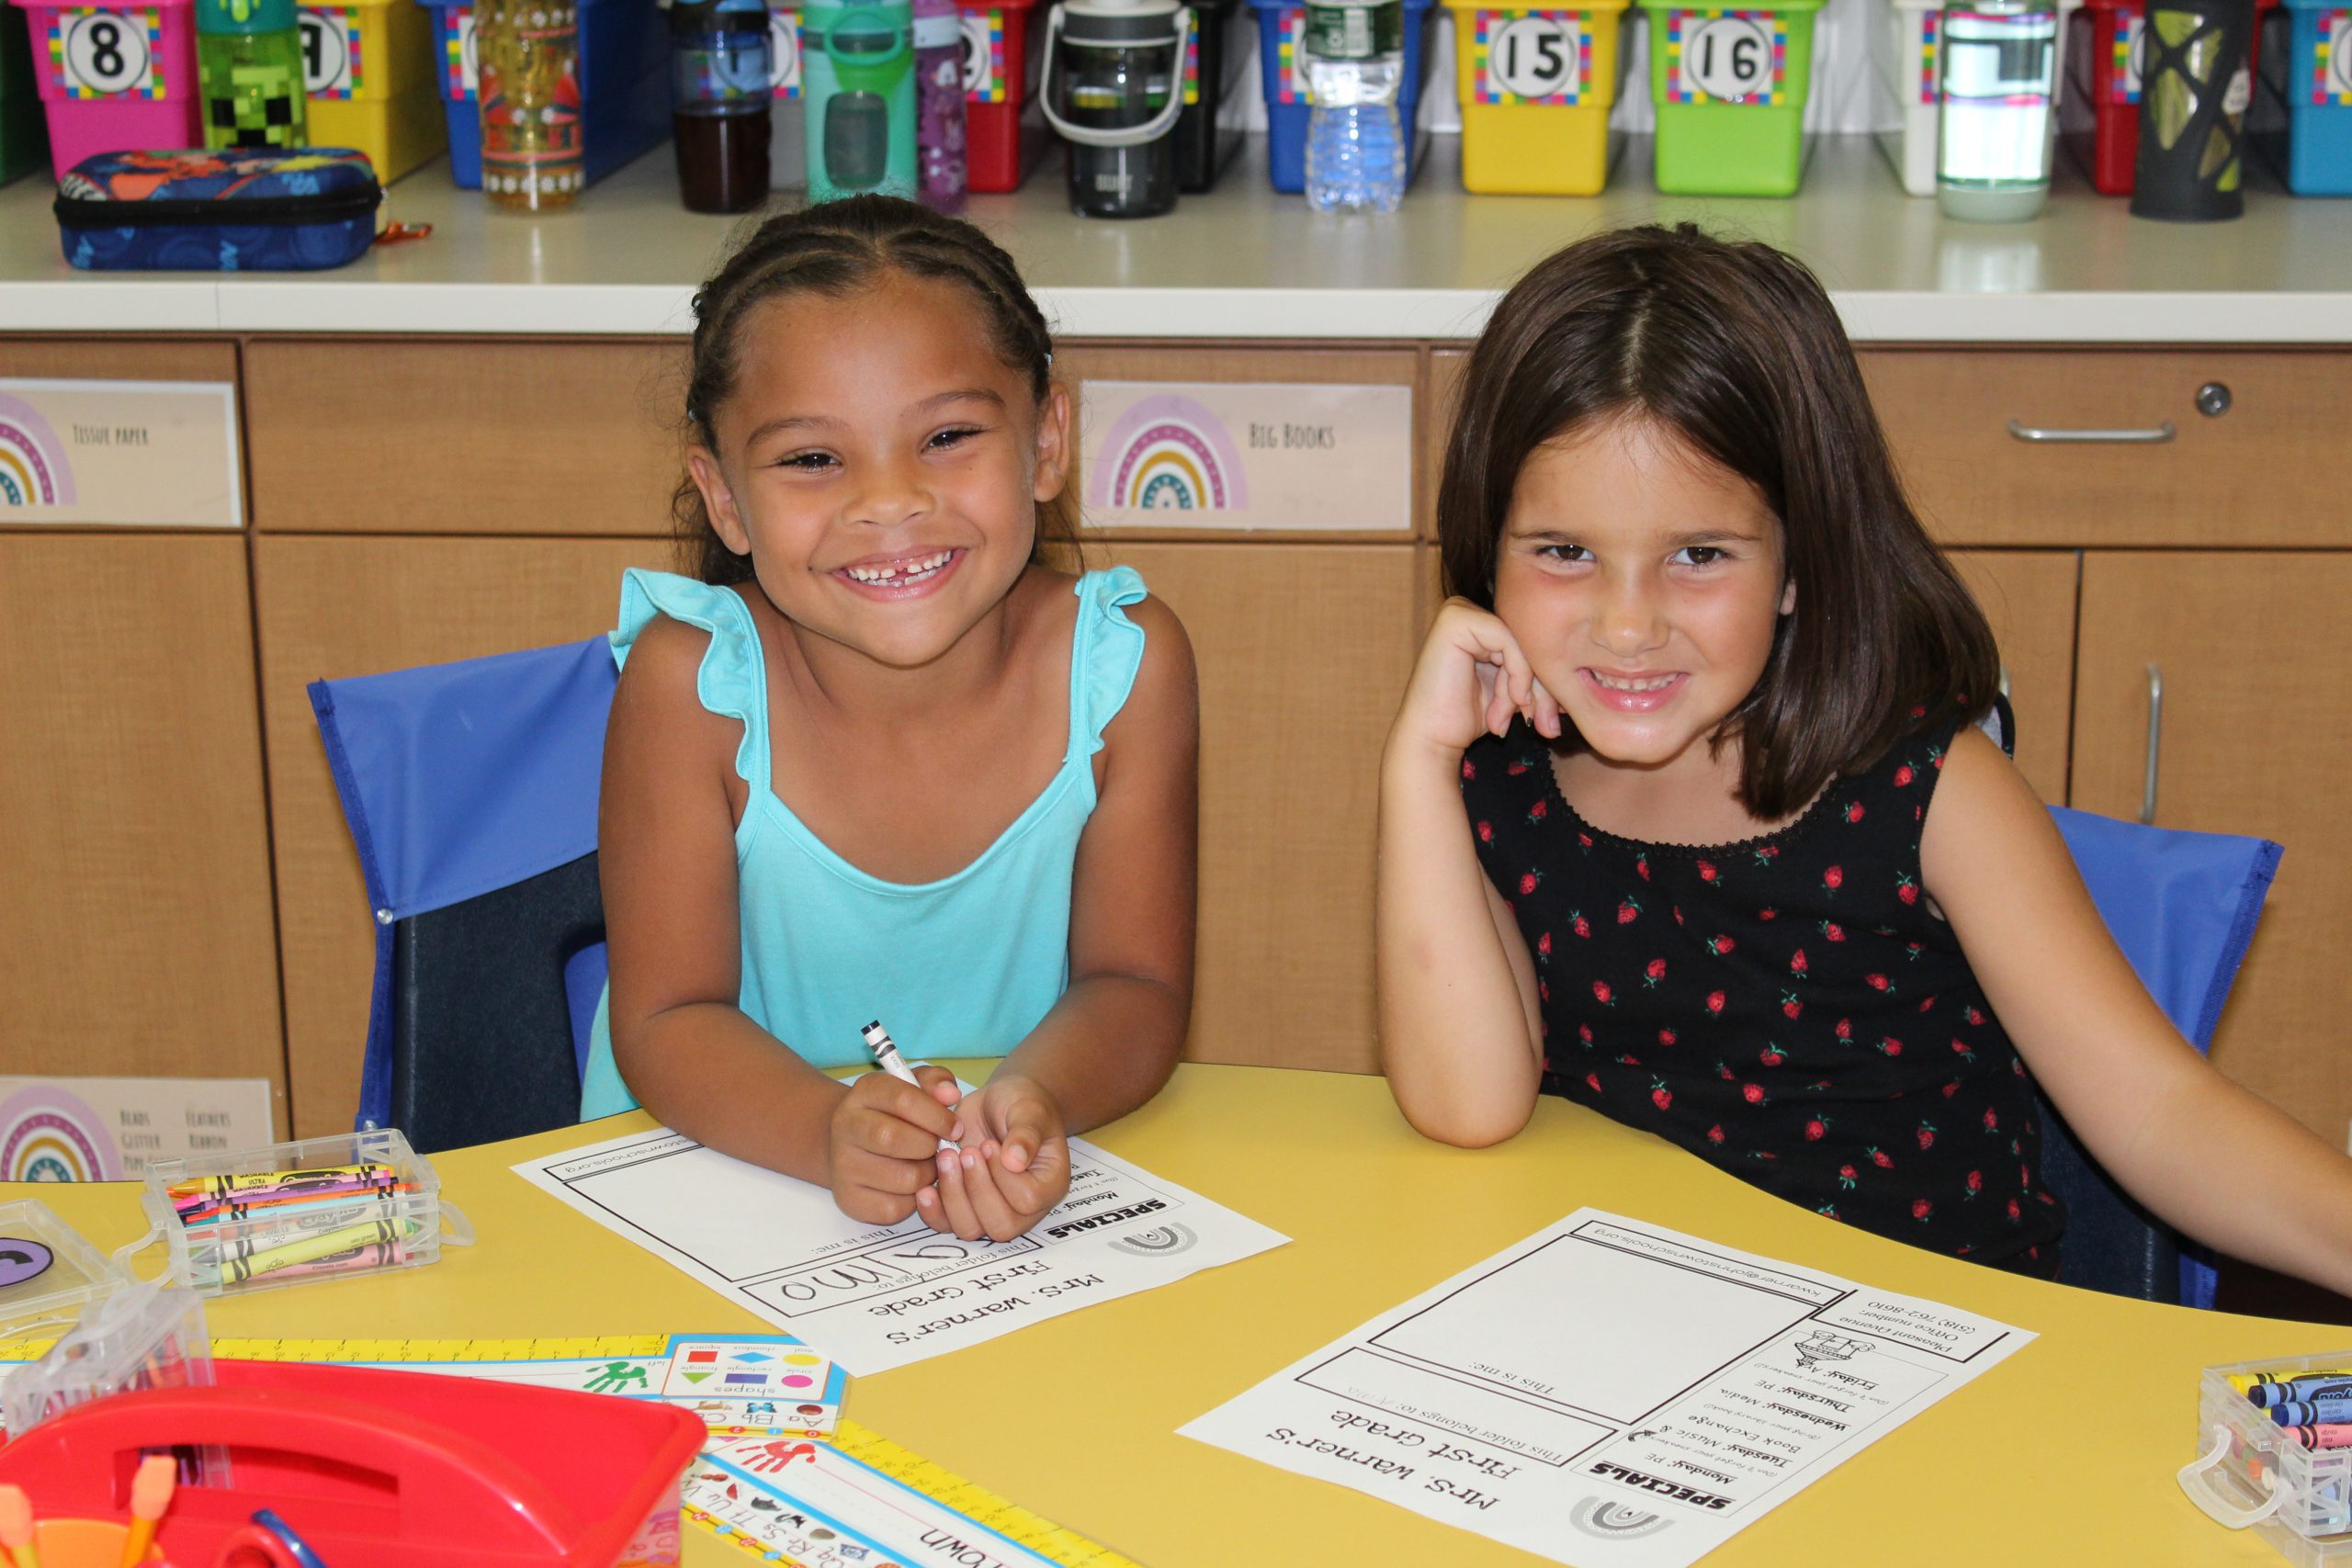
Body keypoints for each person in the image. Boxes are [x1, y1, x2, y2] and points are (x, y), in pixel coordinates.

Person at [1378, 222, 2352, 1288]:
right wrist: (1418, 766)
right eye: (1564, 554)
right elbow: (1469, 1107)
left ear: (1799, 561)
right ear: (1489, 555)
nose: (1625, 626)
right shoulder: (1501, 774)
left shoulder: (1929, 796)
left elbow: (2164, 1117)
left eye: (1698, 556)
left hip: (1927, 1348)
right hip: (1639, 1339)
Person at [587, 196, 1198, 1245]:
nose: (888, 503)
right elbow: (665, 1021)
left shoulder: (1124, 667)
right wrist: (827, 1132)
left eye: (948, 436)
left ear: (1047, 441)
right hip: (712, 1192)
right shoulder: (686, 685)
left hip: (1004, 1214)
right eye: (813, 460)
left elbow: (1134, 987)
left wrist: (1031, 1103)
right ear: (723, 497)